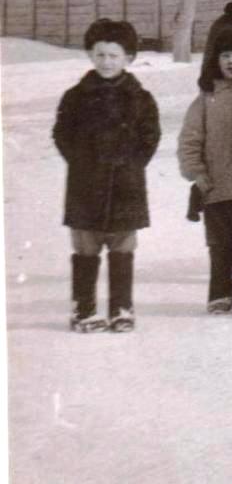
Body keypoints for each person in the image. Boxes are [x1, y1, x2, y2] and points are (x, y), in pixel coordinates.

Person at [56, 19, 160, 332]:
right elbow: (62, 133)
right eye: (100, 54)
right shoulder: (75, 96)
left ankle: (121, 309)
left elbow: (150, 137)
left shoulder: (141, 98)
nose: (106, 62)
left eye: (114, 56)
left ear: (128, 59)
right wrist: (81, 162)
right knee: (86, 249)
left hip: (127, 188)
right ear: (90, 55)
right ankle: (83, 310)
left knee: (122, 250)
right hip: (85, 188)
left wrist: (131, 164)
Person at [178, 29, 232, 315]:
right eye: (225, 55)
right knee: (219, 242)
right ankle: (220, 293)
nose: (231, 61)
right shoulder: (205, 99)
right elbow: (190, 140)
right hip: (215, 185)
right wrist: (197, 173)